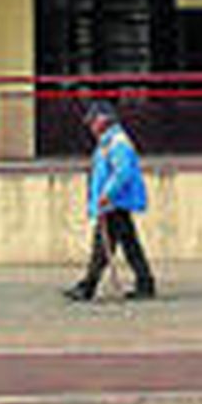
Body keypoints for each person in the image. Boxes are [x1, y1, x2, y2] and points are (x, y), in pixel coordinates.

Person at [64, 100, 156, 302]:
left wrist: (107, 193)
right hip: (114, 202)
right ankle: (145, 283)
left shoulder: (117, 143)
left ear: (103, 121)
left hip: (114, 203)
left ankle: (88, 286)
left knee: (102, 247)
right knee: (129, 244)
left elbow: (122, 172)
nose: (91, 127)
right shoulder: (109, 141)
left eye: (93, 122)